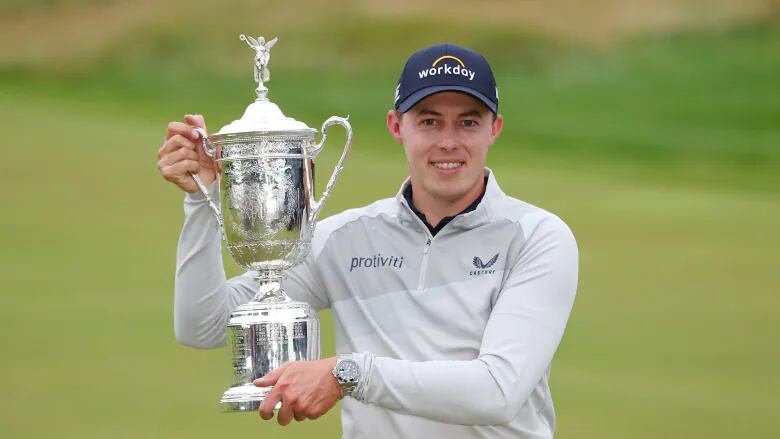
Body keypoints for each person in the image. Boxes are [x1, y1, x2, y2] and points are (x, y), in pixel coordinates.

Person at [158, 43, 579, 438]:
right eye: (429, 121)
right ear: (397, 126)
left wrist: (347, 375)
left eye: (468, 122)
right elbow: (203, 326)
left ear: (494, 129)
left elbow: (498, 391)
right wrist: (203, 199)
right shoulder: (344, 239)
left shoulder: (536, 237)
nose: (448, 141)